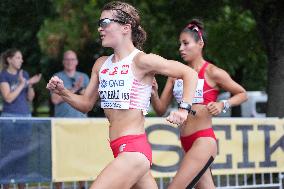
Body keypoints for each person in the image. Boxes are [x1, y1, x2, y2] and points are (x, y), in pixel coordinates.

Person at [46, 1, 198, 189]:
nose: (100, 28)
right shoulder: (101, 64)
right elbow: (86, 103)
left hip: (134, 151)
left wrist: (184, 109)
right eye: (99, 23)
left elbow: (189, 73)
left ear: (126, 28)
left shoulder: (142, 60)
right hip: (119, 149)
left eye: (105, 22)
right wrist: (63, 92)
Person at [151, 19, 248, 189]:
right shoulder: (175, 74)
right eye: (180, 44)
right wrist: (153, 93)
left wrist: (222, 104)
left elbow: (242, 94)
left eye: (186, 43)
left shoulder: (213, 72)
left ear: (200, 43)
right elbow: (160, 110)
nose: (181, 48)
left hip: (203, 141)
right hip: (185, 142)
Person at [0, 48, 41, 189]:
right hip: (10, 118)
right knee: (8, 153)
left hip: (25, 118)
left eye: (21, 58)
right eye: (18, 57)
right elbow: (8, 98)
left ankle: (22, 185)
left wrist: (29, 85)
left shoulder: (24, 74)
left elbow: (30, 98)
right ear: (9, 60)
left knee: (24, 153)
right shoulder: (4, 75)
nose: (21, 60)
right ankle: (6, 184)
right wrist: (22, 84)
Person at [50, 50, 89, 189]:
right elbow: (55, 100)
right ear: (63, 62)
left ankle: (82, 186)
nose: (69, 62)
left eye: (72, 59)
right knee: (61, 158)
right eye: (67, 59)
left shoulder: (84, 77)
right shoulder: (56, 78)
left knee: (81, 156)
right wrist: (75, 89)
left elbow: (88, 100)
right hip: (62, 125)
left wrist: (83, 92)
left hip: (80, 124)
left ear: (77, 61)